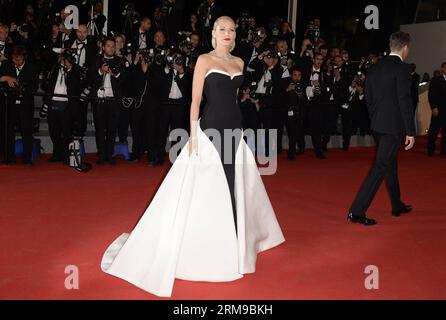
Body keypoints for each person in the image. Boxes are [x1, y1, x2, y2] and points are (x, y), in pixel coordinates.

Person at [101, 16, 285, 297]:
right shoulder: (204, 60)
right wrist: (194, 135)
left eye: (231, 29)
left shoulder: (239, 63)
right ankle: (209, 246)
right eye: (222, 28)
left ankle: (237, 241)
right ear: (214, 33)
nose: (227, 32)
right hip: (210, 132)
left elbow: (235, 99)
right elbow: (196, 101)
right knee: (210, 191)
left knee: (235, 186)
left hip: (235, 131)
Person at [347, 32, 416, 226]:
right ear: (405, 47)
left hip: (378, 125)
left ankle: (397, 204)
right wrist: (410, 130)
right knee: (379, 168)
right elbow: (404, 99)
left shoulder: (375, 67)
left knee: (390, 164)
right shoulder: (403, 68)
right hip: (392, 127)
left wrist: (376, 118)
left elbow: (368, 98)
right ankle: (356, 212)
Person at [427, 62, 446, 157]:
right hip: (438, 109)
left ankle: (444, 151)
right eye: (445, 68)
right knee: (434, 130)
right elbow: (431, 95)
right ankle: (430, 150)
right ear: (442, 69)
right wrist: (433, 107)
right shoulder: (435, 80)